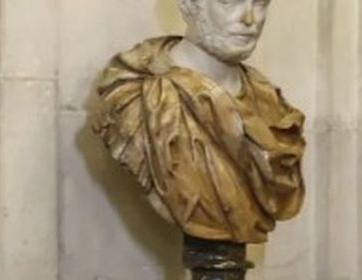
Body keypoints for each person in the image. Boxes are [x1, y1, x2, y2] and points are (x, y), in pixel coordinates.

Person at [91, 0, 305, 244]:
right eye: (230, 2)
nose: (249, 20)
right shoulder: (135, 96)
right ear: (188, 4)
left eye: (260, 4)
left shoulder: (274, 109)